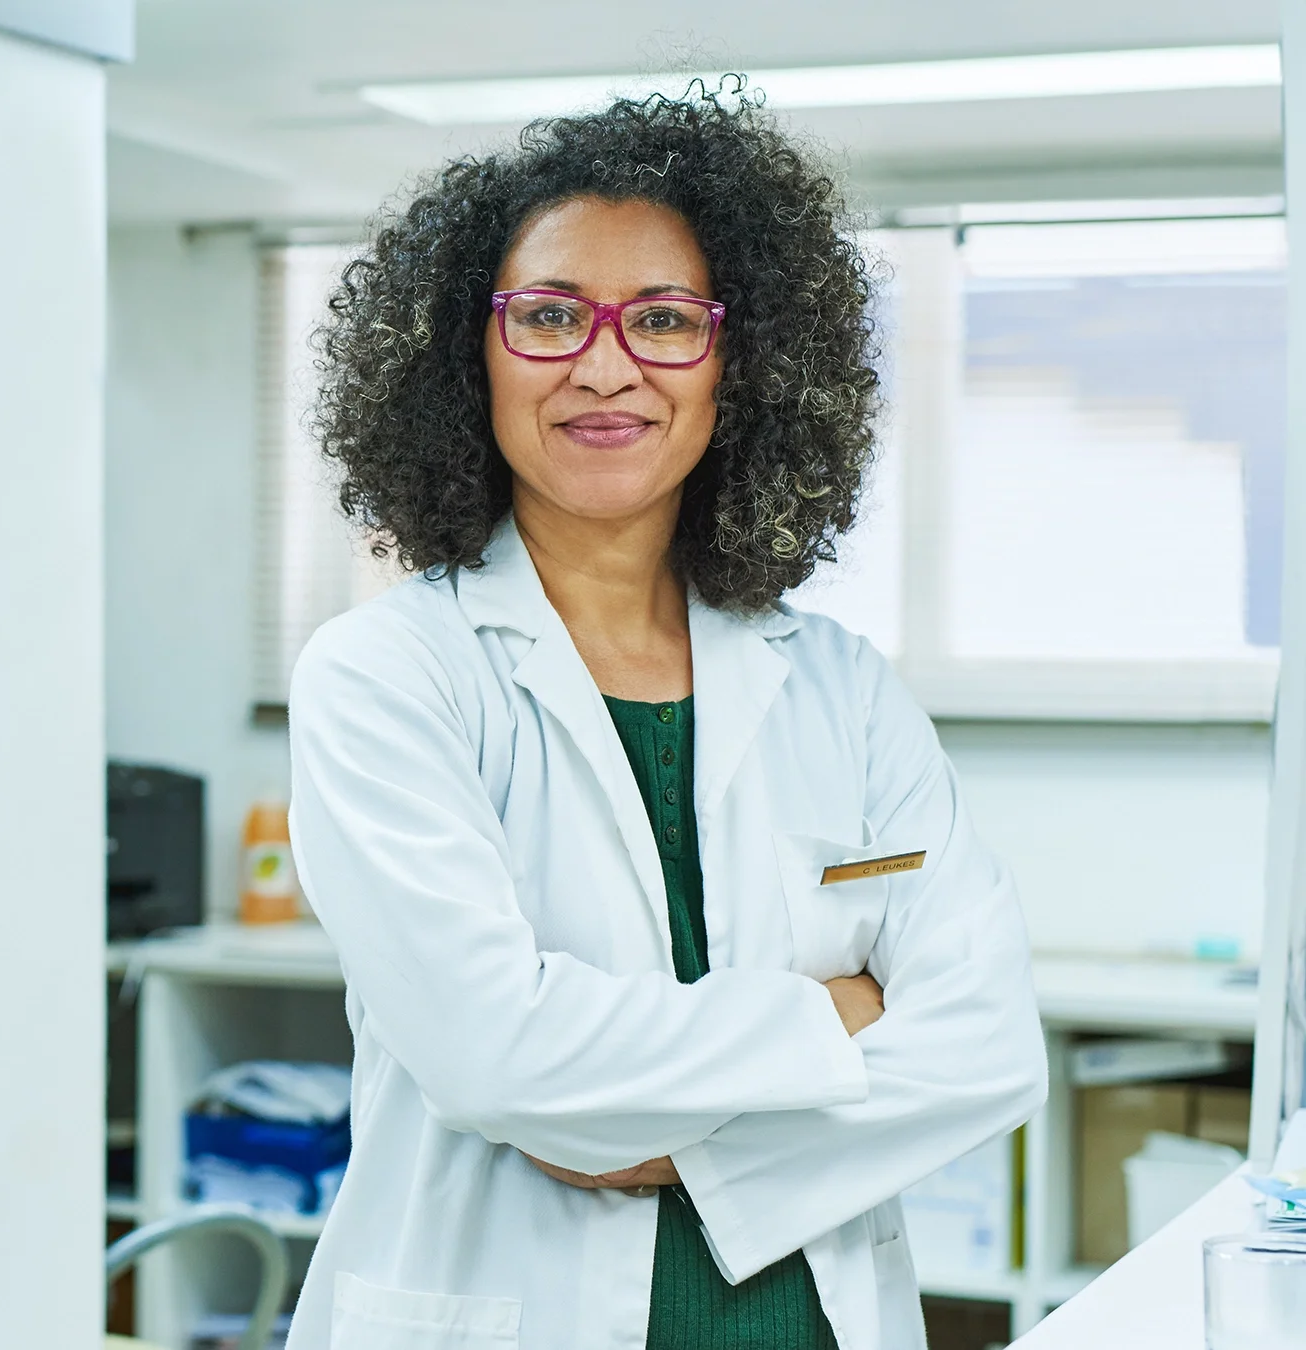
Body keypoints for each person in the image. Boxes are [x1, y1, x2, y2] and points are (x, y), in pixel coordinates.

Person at [284, 85, 1047, 1350]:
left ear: (737, 367)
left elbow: (986, 1045)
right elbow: (496, 1057)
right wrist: (840, 1015)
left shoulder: (841, 688)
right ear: (463, 353)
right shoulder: (386, 674)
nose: (603, 364)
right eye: (546, 315)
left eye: (664, 320)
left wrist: (676, 1158)